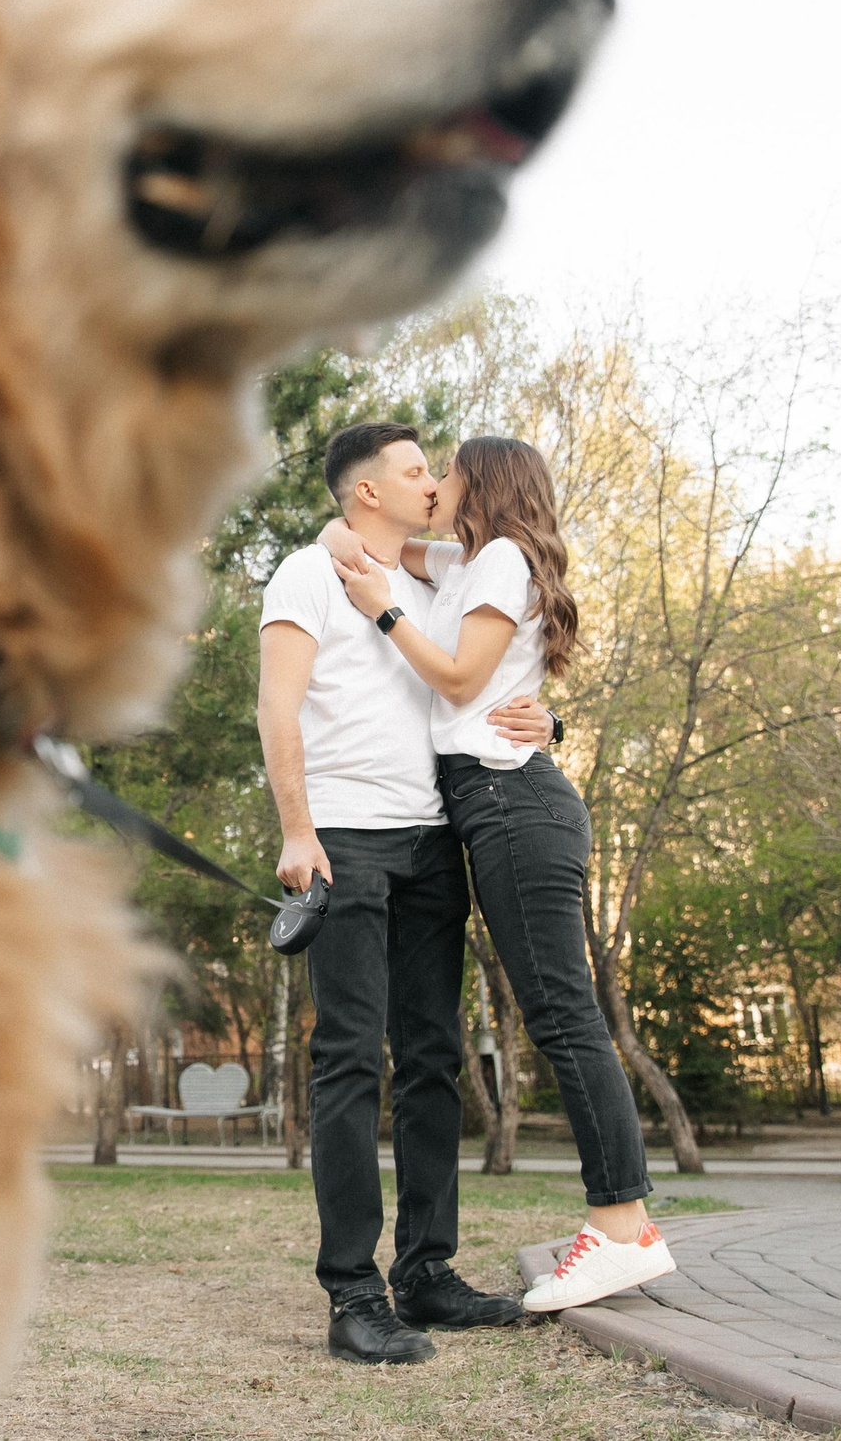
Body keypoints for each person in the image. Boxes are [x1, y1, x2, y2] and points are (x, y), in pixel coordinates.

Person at [322, 434, 673, 1312]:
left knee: (563, 1014)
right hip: (490, 801)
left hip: (513, 804)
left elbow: (460, 678)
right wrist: (367, 557)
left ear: (484, 481)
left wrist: (384, 613)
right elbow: (357, 539)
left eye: (448, 471)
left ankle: (622, 1226)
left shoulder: (504, 558)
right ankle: (624, 1222)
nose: (436, 483)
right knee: (558, 1013)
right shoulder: (468, 562)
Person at [257, 421, 553, 1365]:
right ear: (366, 493)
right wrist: (297, 829)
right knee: (350, 1058)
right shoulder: (308, 572)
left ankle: (427, 1272)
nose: (435, 482)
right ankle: (352, 1290)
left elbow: (489, 668)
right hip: (344, 837)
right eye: (417, 470)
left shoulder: (435, 577)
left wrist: (553, 716)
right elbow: (277, 704)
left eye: (436, 468)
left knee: (432, 1057)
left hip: (431, 842)